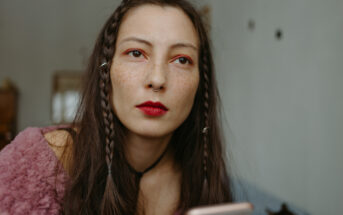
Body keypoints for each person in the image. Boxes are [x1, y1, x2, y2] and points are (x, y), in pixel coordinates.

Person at [0, 0, 234, 214]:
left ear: (200, 83)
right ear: (106, 70)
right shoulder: (38, 162)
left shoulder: (203, 178)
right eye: (136, 53)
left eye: (182, 60)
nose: (157, 79)